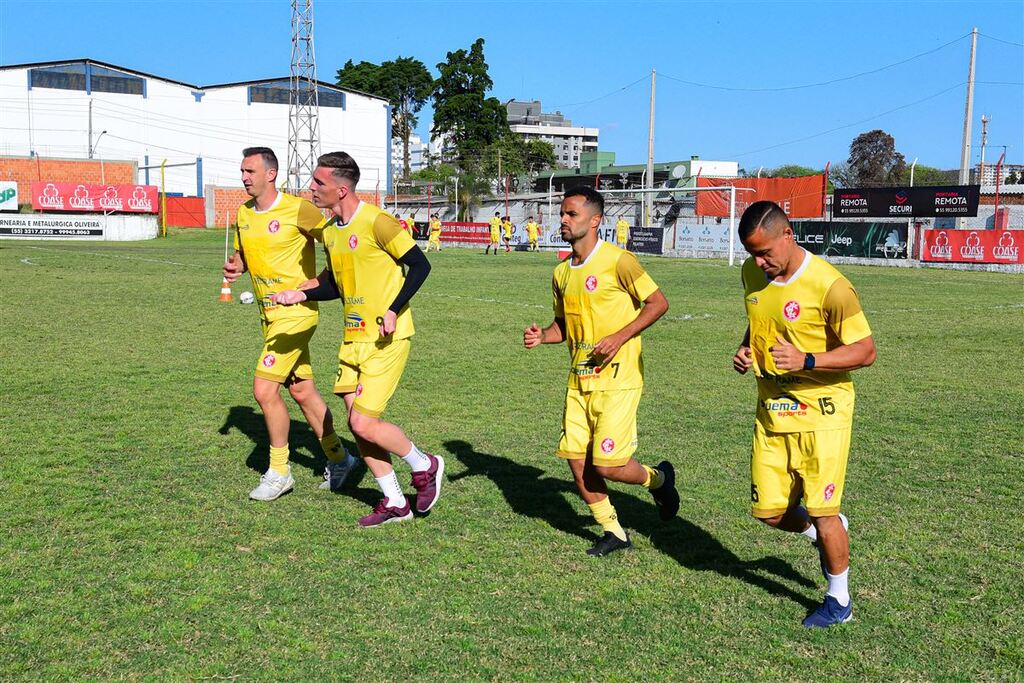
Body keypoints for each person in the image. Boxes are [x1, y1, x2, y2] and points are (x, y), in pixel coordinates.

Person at [271, 151, 444, 527]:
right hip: (352, 339)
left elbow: (420, 264)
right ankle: (395, 502)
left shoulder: (377, 222)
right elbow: (334, 283)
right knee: (356, 424)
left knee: (364, 424)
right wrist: (300, 293)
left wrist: (396, 308)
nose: (311, 189)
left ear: (342, 188)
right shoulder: (332, 231)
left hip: (386, 338)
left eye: (319, 183)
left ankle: (424, 464)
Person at [732, 200, 876, 628]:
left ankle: (839, 600)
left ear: (788, 234)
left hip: (823, 414)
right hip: (772, 412)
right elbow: (758, 318)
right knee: (770, 512)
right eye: (753, 254)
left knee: (824, 511)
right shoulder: (752, 272)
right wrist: (745, 348)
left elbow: (866, 352)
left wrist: (808, 360)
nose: (760, 262)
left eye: (765, 253)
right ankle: (823, 530)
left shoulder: (831, 286)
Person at [523, 186, 679, 557]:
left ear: (595, 221)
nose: (562, 219)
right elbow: (562, 327)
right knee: (577, 461)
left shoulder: (618, 261)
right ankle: (614, 531)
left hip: (619, 379)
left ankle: (658, 479)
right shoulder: (561, 272)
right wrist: (542, 336)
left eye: (571, 214)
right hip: (578, 380)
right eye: (562, 213)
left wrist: (620, 337)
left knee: (607, 465)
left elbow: (658, 303)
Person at [223, 147, 357, 501]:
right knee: (301, 391)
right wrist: (239, 268)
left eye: (250, 170)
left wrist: (324, 282)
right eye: (242, 170)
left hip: (297, 315)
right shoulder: (243, 214)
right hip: (268, 317)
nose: (244, 177)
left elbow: (336, 241)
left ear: (271, 173)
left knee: (264, 391)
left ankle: (280, 471)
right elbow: (246, 257)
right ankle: (341, 459)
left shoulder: (299, 209)